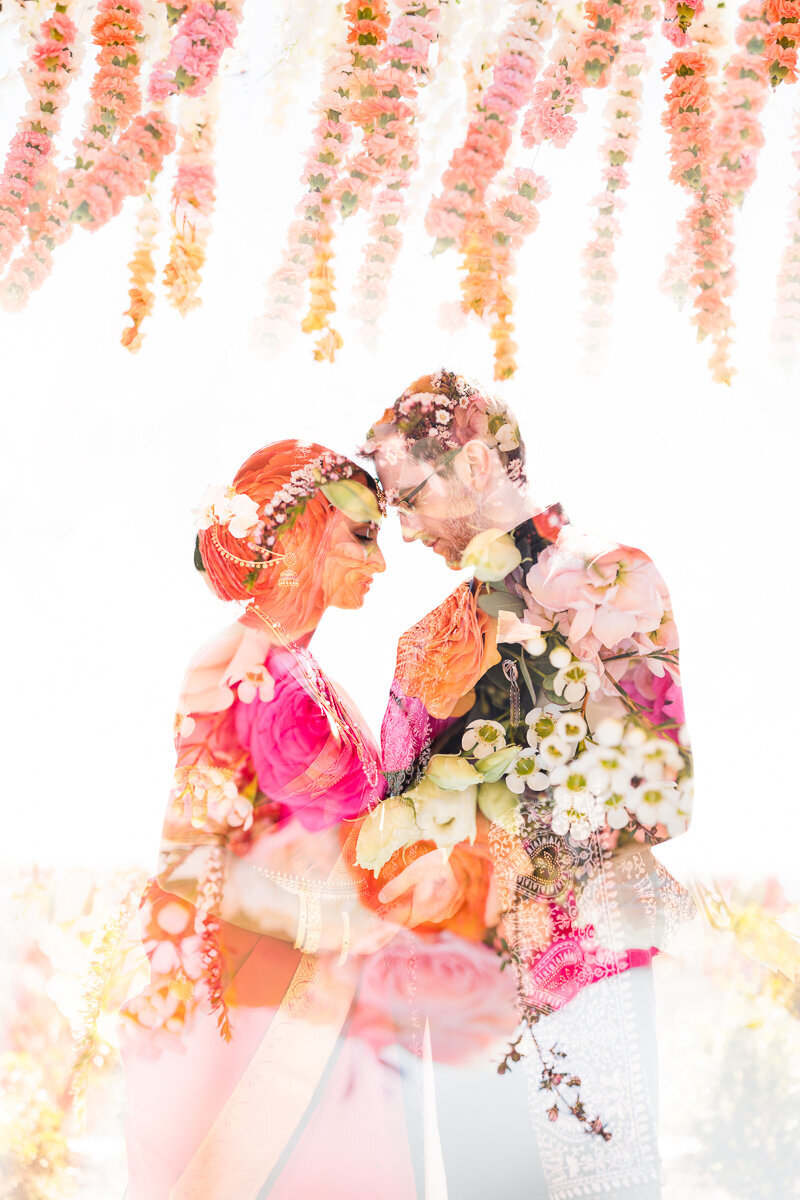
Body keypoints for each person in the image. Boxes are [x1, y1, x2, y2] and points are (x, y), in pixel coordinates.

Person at [357, 369, 697, 1200]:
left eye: (410, 498)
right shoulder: (423, 642)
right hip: (463, 992)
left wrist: (500, 814)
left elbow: (664, 792)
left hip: (586, 970)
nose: (402, 530)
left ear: (475, 465)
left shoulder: (617, 584)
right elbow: (392, 835)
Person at [120, 439, 413, 1200]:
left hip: (328, 983)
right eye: (361, 535)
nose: (379, 563)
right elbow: (196, 856)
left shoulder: (308, 673)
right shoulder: (236, 672)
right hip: (270, 997)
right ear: (296, 536)